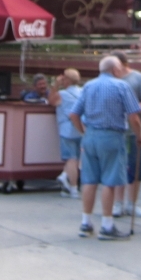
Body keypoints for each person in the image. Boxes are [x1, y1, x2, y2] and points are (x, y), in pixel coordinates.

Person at [68, 56, 141, 241]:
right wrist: (140, 136)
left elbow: (73, 114)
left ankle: (86, 223)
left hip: (91, 137)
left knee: (89, 181)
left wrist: (84, 133)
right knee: (109, 182)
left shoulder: (89, 86)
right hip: (112, 137)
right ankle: (107, 226)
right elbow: (134, 117)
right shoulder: (121, 86)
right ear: (116, 70)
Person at [111, 51, 141, 219]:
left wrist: (133, 108)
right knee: (118, 168)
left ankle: (132, 204)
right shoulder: (111, 79)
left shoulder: (138, 78)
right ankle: (118, 204)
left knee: (136, 167)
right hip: (115, 131)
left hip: (134, 131)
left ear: (121, 64)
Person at [48, 69, 83, 198]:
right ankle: (64, 177)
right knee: (76, 158)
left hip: (66, 129)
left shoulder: (62, 94)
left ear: (66, 80)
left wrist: (55, 85)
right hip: (80, 129)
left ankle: (73, 188)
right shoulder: (83, 92)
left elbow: (51, 100)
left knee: (70, 159)